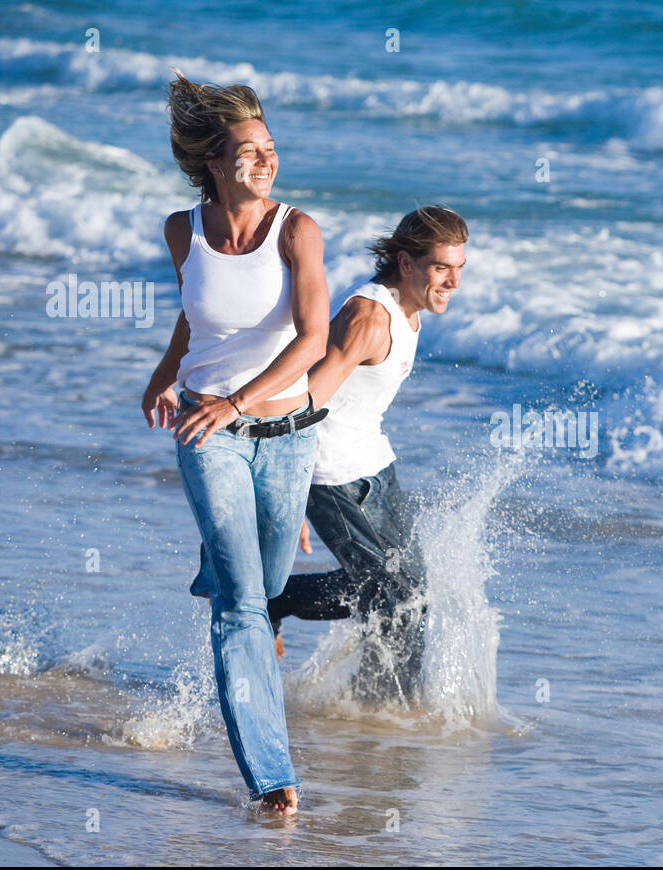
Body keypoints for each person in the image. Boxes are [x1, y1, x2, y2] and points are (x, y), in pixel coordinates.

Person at [140, 72, 329, 815]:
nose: (264, 162)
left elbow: (314, 339)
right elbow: (197, 318)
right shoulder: (182, 230)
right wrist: (167, 377)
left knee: (268, 584)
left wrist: (241, 402)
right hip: (206, 430)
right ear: (213, 164)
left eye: (270, 149)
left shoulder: (297, 230)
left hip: (285, 437)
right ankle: (271, 773)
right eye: (247, 152)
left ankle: (222, 559)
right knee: (243, 607)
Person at [267, 206, 467, 709]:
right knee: (392, 598)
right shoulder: (370, 317)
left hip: (376, 466)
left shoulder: (409, 311)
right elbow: (305, 400)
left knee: (411, 596)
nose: (454, 282)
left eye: (460, 269)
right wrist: (287, 493)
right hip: (331, 475)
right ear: (405, 262)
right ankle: (280, 602)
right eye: (442, 268)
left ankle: (382, 706)